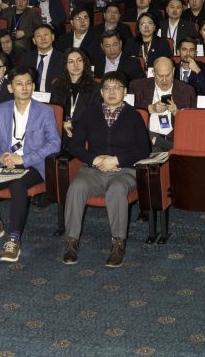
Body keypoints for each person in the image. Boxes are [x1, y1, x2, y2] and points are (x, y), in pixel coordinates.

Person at [61, 76, 152, 268]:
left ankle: (118, 243)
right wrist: (94, 160)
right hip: (94, 170)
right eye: (107, 88)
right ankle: (71, 241)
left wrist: (116, 160)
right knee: (76, 187)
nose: (111, 92)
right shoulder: (89, 114)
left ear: (125, 92)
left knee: (117, 189)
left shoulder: (134, 116)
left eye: (116, 88)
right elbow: (75, 146)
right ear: (101, 92)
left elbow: (144, 149)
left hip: (124, 170)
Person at [0, 68, 61, 263]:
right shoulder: (2, 109)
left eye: (28, 83)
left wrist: (24, 159)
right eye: (19, 84)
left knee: (18, 185)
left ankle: (14, 238)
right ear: (10, 87)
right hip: (6, 163)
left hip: (33, 165)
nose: (25, 87)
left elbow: (55, 143)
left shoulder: (44, 111)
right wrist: (1, 156)